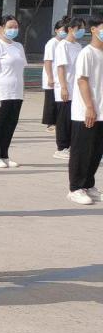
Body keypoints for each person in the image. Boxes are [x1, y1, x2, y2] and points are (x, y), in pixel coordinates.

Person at [67, 15, 103, 204]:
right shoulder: (87, 53)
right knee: (82, 151)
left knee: (96, 151)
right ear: (94, 30)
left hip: (102, 111)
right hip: (86, 111)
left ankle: (88, 185)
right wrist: (90, 107)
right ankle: (75, 188)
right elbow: (82, 80)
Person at [0, 14, 27, 168]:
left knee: (10, 125)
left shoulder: (18, 46)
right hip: (0, 92)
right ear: (1, 28)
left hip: (16, 92)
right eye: (10, 27)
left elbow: (20, 69)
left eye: (16, 27)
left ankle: (4, 154)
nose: (13, 30)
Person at [53, 18, 86, 160]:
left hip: (76, 88)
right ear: (71, 29)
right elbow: (61, 68)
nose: (82, 31)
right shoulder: (63, 45)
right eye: (80, 28)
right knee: (64, 119)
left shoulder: (78, 46)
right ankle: (61, 147)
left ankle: (71, 145)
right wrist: (64, 87)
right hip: (65, 87)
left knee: (73, 119)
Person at [42, 19, 66, 129]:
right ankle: (50, 123)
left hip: (60, 77)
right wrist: (50, 77)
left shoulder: (65, 43)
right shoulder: (52, 43)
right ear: (56, 30)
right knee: (51, 101)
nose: (64, 32)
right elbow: (48, 60)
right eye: (62, 30)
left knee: (57, 101)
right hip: (52, 76)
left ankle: (57, 121)